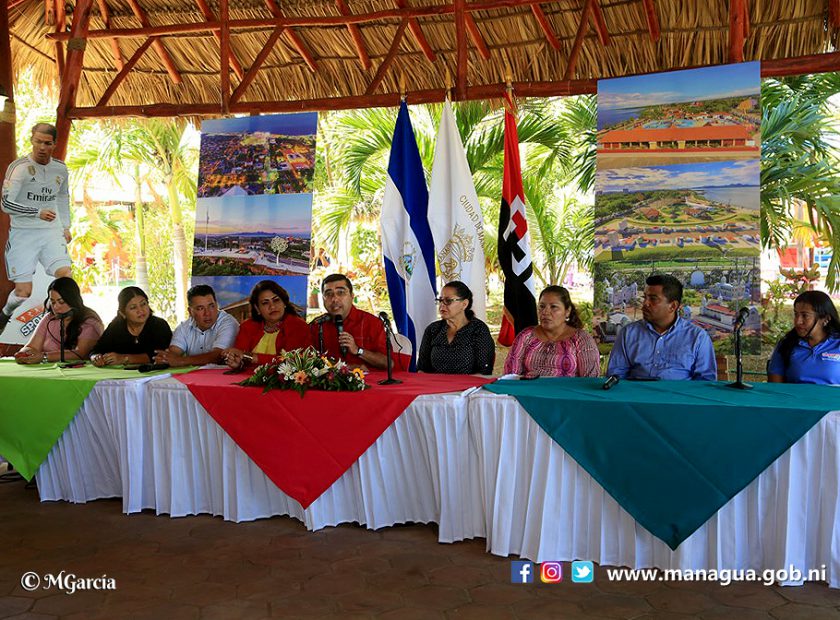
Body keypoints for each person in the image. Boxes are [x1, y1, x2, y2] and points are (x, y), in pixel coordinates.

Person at [0, 124, 72, 335]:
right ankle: (5, 313)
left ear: (54, 144)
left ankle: (66, 324)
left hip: (50, 231)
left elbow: (62, 197)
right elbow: (5, 204)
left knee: (65, 276)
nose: (42, 147)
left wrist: (66, 226)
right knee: (23, 292)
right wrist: (36, 212)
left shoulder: (60, 168)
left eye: (47, 143)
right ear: (31, 140)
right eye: (38, 141)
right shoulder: (19, 168)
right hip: (23, 233)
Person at [607, 274, 716, 381]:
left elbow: (705, 383)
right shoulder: (628, 333)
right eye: (645, 297)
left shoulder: (698, 338)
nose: (645, 303)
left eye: (653, 299)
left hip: (679, 398)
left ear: (672, 306)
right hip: (637, 397)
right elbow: (616, 376)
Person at [503, 285, 600, 377]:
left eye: (553, 307)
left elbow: (590, 379)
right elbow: (511, 375)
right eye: (542, 306)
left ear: (567, 311)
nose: (545, 312)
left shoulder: (581, 339)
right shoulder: (526, 336)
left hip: (568, 394)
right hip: (529, 392)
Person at [223, 280, 311, 370]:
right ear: (257, 309)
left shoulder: (298, 326)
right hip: (247, 379)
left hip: (283, 382)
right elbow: (240, 356)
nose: (272, 306)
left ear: (284, 303)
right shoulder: (248, 326)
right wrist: (236, 363)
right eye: (265, 303)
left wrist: (253, 357)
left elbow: (292, 361)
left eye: (276, 300)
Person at [14, 277, 103, 364]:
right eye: (53, 302)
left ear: (72, 300)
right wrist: (24, 354)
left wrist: (44, 357)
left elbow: (80, 353)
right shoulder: (50, 318)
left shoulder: (89, 320)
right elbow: (32, 346)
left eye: (61, 302)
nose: (56, 307)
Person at [308, 273, 388, 369]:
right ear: (323, 299)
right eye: (329, 294)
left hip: (369, 382)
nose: (334, 299)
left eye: (340, 293)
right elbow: (307, 362)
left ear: (352, 296)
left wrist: (358, 350)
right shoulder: (317, 325)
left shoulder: (372, 323)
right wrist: (344, 368)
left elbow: (388, 363)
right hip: (328, 382)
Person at [417, 281, 495, 374]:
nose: (442, 305)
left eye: (448, 301)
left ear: (464, 304)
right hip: (435, 386)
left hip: (468, 386)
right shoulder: (433, 329)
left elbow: (484, 370)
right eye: (440, 300)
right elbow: (422, 368)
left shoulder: (478, 329)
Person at [153, 284, 238, 368]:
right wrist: (165, 359)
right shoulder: (184, 327)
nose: (207, 313)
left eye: (211, 306)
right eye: (200, 308)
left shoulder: (228, 322)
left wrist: (181, 361)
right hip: (194, 377)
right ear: (190, 311)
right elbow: (174, 352)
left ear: (217, 305)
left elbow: (218, 355)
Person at [768, 290, 840, 385]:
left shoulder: (837, 344)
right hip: (793, 399)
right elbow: (775, 387)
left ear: (825, 319)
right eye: (796, 314)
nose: (798, 321)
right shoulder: (786, 344)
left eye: (805, 315)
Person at [90, 286, 172, 366]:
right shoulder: (116, 326)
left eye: (143, 304)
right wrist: (96, 358)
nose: (140, 310)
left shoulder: (159, 325)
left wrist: (124, 358)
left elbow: (160, 355)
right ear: (123, 313)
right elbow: (96, 351)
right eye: (133, 307)